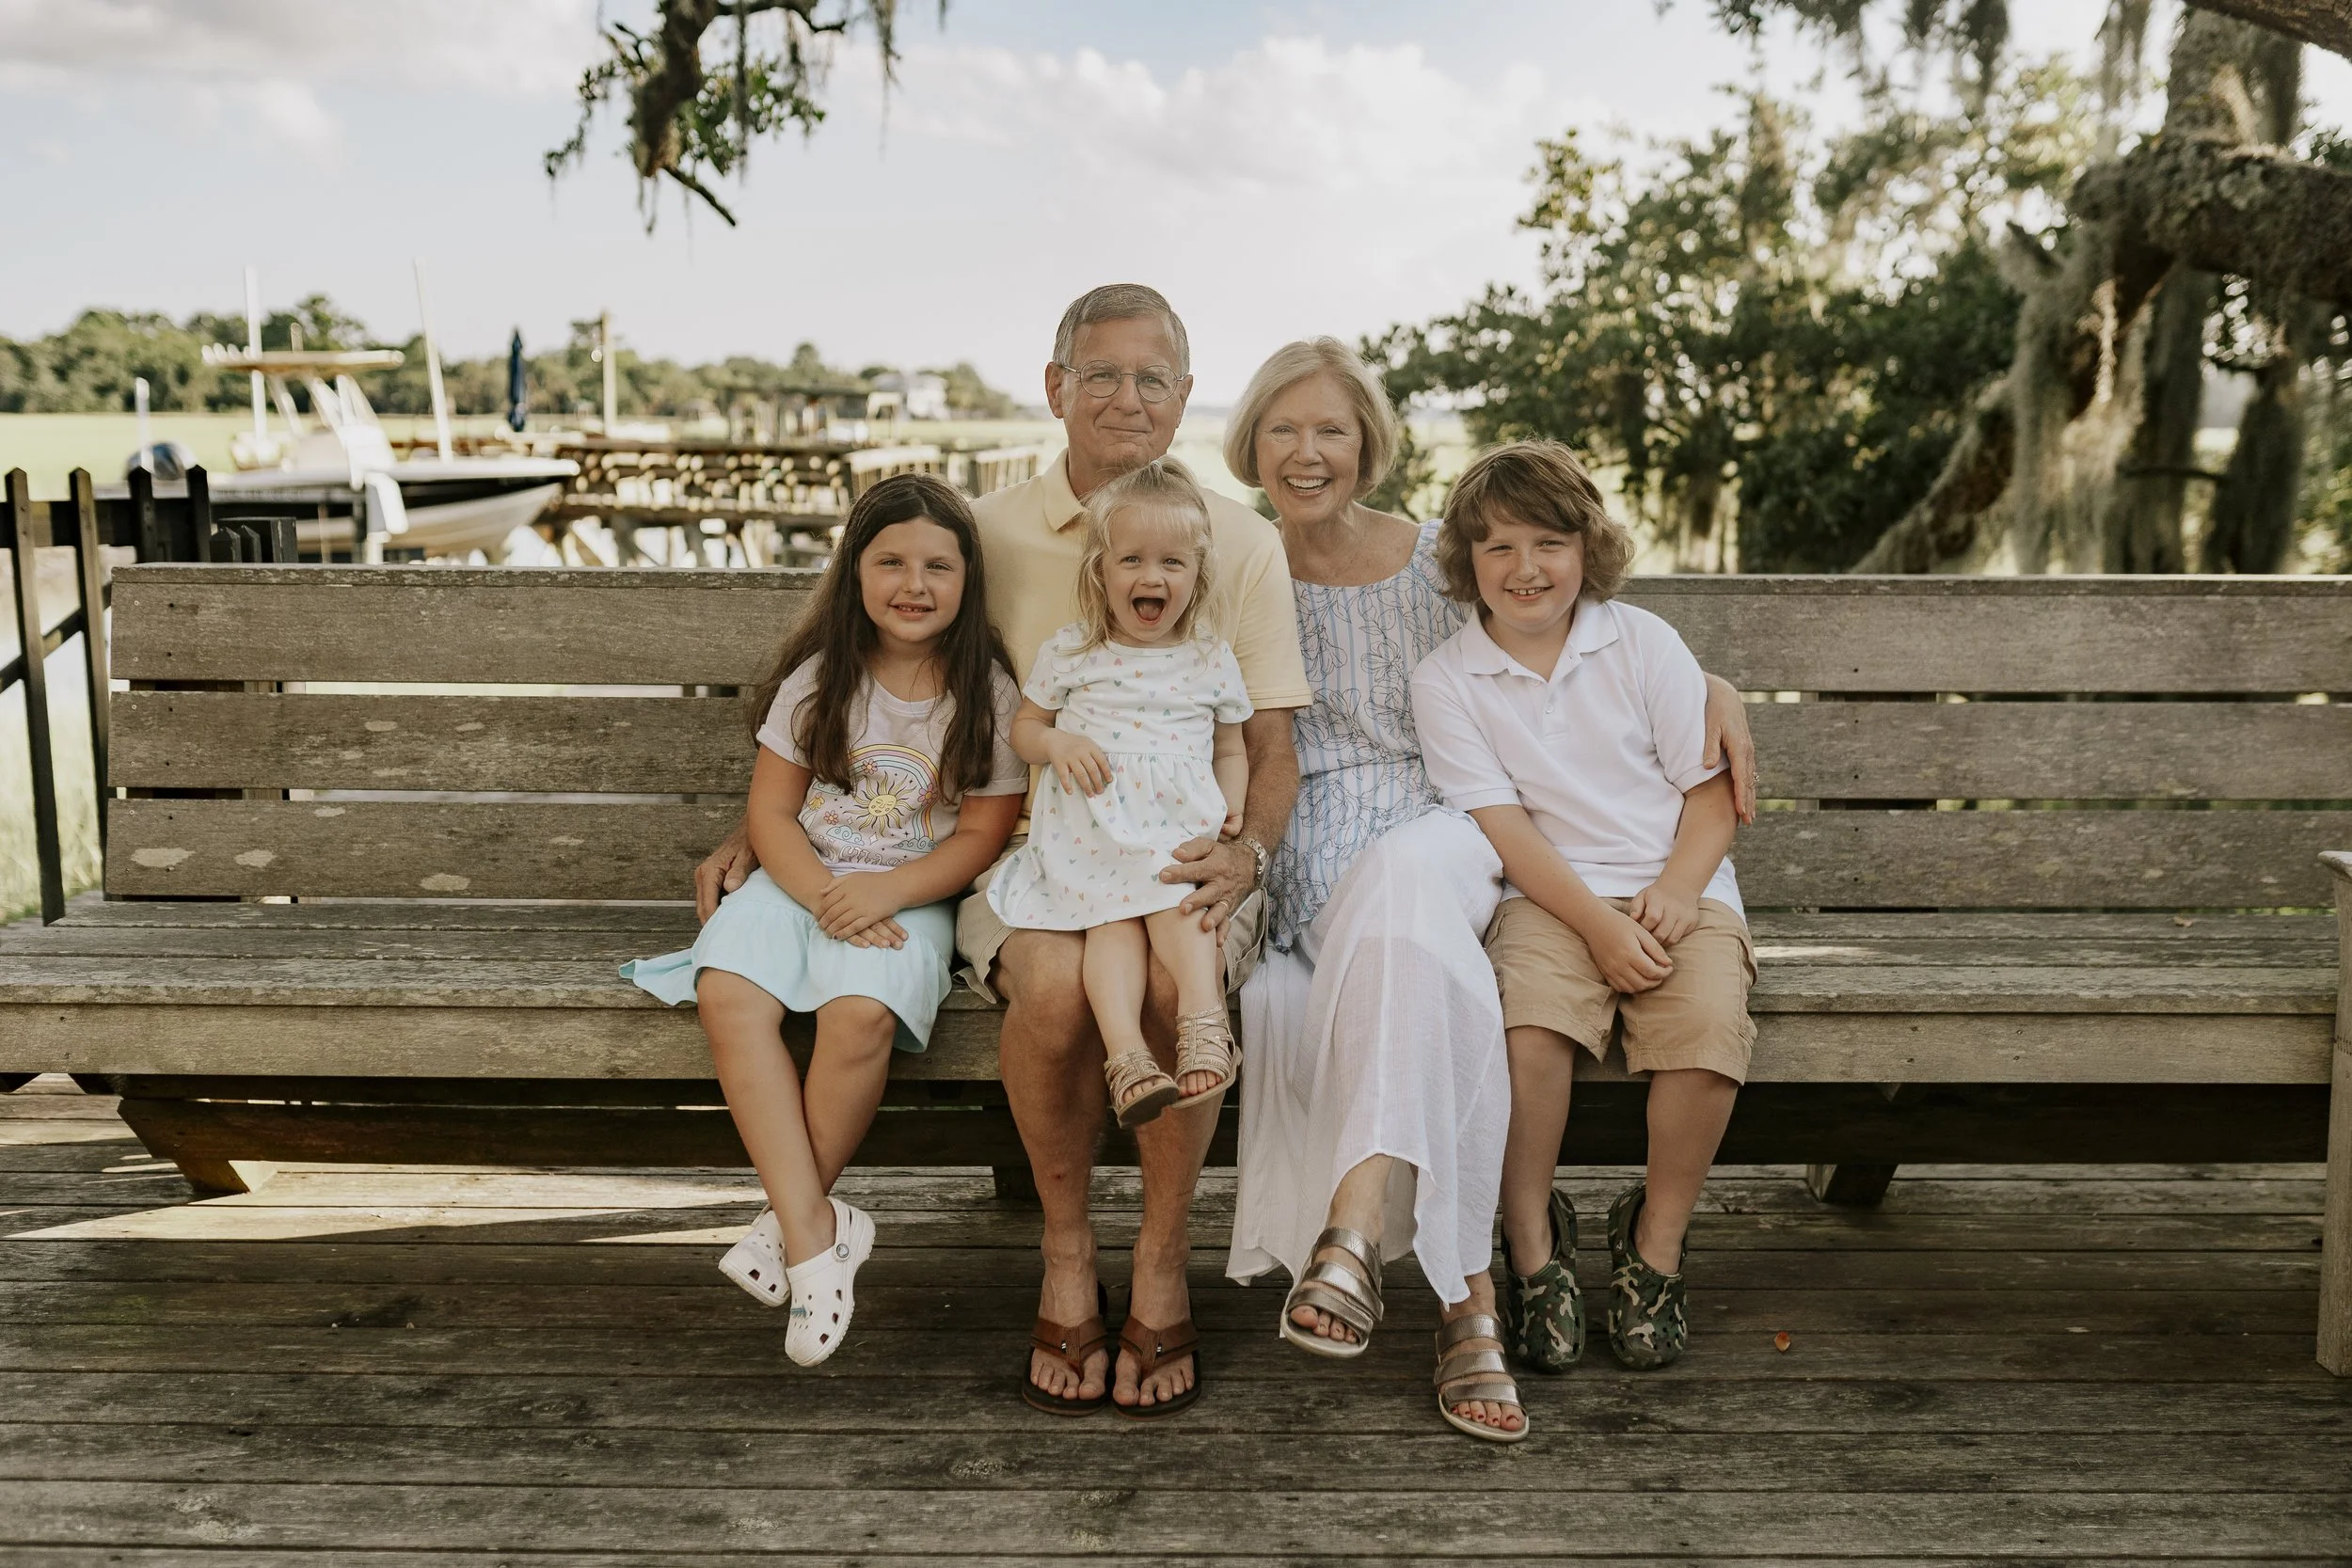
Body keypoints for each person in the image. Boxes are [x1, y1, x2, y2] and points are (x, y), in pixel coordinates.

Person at [699, 285, 1311, 1416]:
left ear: (1184, 396)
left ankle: (1164, 1260)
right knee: (1054, 981)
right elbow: (880, 650)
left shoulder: (1238, 541)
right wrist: (768, 817)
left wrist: (1249, 851)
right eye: (1101, 374)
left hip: (1183, 850)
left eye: (1152, 377)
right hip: (1014, 858)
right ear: (1055, 388)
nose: (1127, 398)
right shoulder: (985, 528)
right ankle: (1067, 1250)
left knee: (1187, 978)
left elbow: (1264, 738)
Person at [1219, 340, 1756, 1443]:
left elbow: (1563, 616)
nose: (1307, 451)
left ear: (1368, 442)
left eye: (1331, 428)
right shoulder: (1235, 562)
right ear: (1250, 445)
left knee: (1420, 891)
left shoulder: (1435, 556)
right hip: (1322, 830)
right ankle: (1465, 1299)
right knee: (1425, 950)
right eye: (1283, 429)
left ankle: (1364, 1231)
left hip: (1453, 824)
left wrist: (1717, 686)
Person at [628, 473, 1026, 1367]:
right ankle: (816, 1239)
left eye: (936, 565)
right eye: (888, 561)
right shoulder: (820, 678)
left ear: (969, 582)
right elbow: (771, 815)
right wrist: (818, 895)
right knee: (727, 990)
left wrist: (885, 893)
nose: (912, 583)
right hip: (799, 880)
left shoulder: (987, 693)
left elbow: (984, 831)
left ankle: (791, 1223)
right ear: (854, 574)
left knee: (858, 1015)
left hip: (908, 893)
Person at [1409, 439, 1751, 1383]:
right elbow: (1507, 830)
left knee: (1706, 1032)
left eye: (1549, 543)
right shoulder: (1448, 678)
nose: (1526, 568)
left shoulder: (1639, 641)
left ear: (1587, 547)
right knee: (1525, 1031)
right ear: (1465, 563)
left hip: (1676, 883)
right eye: (1499, 548)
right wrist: (1598, 926)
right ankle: (1530, 1241)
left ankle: (1656, 1244)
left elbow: (1711, 791)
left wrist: (1677, 891)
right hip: (1547, 893)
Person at [993, 460, 1252, 1154]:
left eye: (1172, 561)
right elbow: (1022, 728)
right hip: (1094, 833)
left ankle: (1203, 1029)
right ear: (1100, 571)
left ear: (1196, 573)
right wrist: (1055, 740)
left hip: (1175, 834)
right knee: (1108, 925)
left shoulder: (1209, 658)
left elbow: (1232, 746)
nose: (1152, 577)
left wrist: (1232, 814)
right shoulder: (1073, 651)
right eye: (1131, 559)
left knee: (1181, 909)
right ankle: (1129, 1060)